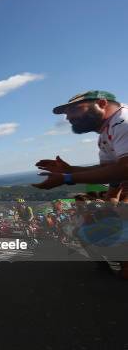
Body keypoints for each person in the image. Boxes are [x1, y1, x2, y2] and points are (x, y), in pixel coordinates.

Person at [34, 90, 128, 277]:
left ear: (101, 103)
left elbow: (124, 168)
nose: (68, 117)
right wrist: (70, 169)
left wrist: (69, 178)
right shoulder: (105, 134)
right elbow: (110, 173)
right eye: (66, 113)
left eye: (75, 109)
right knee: (89, 229)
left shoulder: (122, 122)